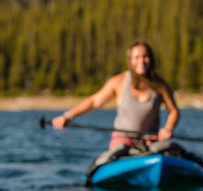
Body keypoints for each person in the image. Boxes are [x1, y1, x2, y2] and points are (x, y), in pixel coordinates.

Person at [52, 40, 180, 151]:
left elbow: (173, 111)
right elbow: (94, 101)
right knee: (119, 150)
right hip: (123, 139)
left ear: (151, 59)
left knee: (168, 149)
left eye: (145, 56)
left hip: (150, 140)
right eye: (137, 57)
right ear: (130, 60)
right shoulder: (118, 82)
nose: (141, 61)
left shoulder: (160, 85)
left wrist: (167, 129)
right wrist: (68, 116)